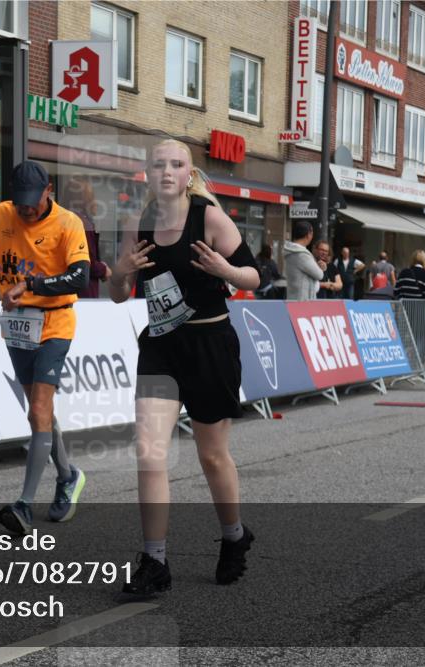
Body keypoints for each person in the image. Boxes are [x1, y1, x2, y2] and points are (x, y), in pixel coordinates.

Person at [108, 138, 259, 595]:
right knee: (150, 451)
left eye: (176, 164)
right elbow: (118, 295)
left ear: (189, 174)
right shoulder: (140, 223)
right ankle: (155, 560)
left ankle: (234, 536)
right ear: (148, 173)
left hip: (209, 344)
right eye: (159, 165)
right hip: (161, 347)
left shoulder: (208, 217)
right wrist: (121, 271)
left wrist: (224, 270)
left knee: (211, 455)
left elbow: (255, 276)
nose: (167, 172)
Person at [0, 161, 89, 535]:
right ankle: (68, 476)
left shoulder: (68, 223)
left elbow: (79, 277)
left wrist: (29, 286)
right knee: (40, 412)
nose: (26, 209)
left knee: (37, 410)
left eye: (32, 201)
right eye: (20, 202)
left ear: (48, 190)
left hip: (55, 323)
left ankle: (24, 506)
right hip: (18, 326)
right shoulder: (1, 214)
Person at [62, 177, 109, 298]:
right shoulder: (83, 224)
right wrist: (104, 270)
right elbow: (88, 261)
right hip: (83, 291)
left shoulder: (62, 220)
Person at [282, 220, 325, 301]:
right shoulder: (302, 254)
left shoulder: (290, 251)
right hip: (303, 300)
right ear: (308, 234)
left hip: (293, 297)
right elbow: (319, 275)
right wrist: (321, 268)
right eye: (312, 233)